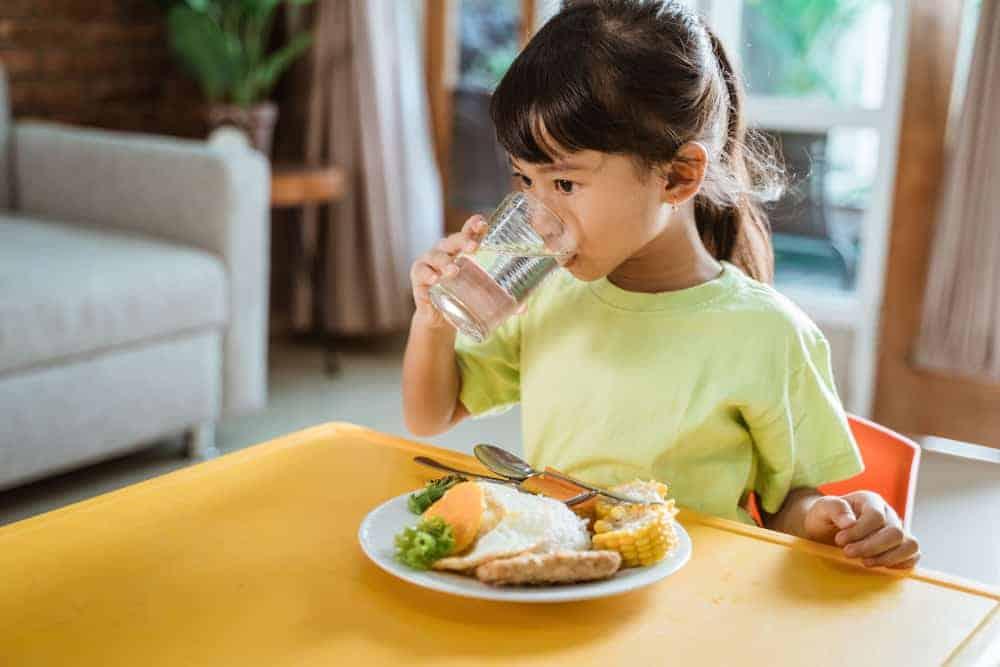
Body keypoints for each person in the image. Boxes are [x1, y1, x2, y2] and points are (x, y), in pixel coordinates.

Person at [402, 0, 919, 569]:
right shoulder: (545, 295)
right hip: (565, 587)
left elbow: (789, 507)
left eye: (566, 183)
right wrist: (433, 319)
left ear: (677, 176)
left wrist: (836, 519)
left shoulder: (767, 334)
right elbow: (431, 415)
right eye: (526, 178)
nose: (536, 213)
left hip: (698, 605)